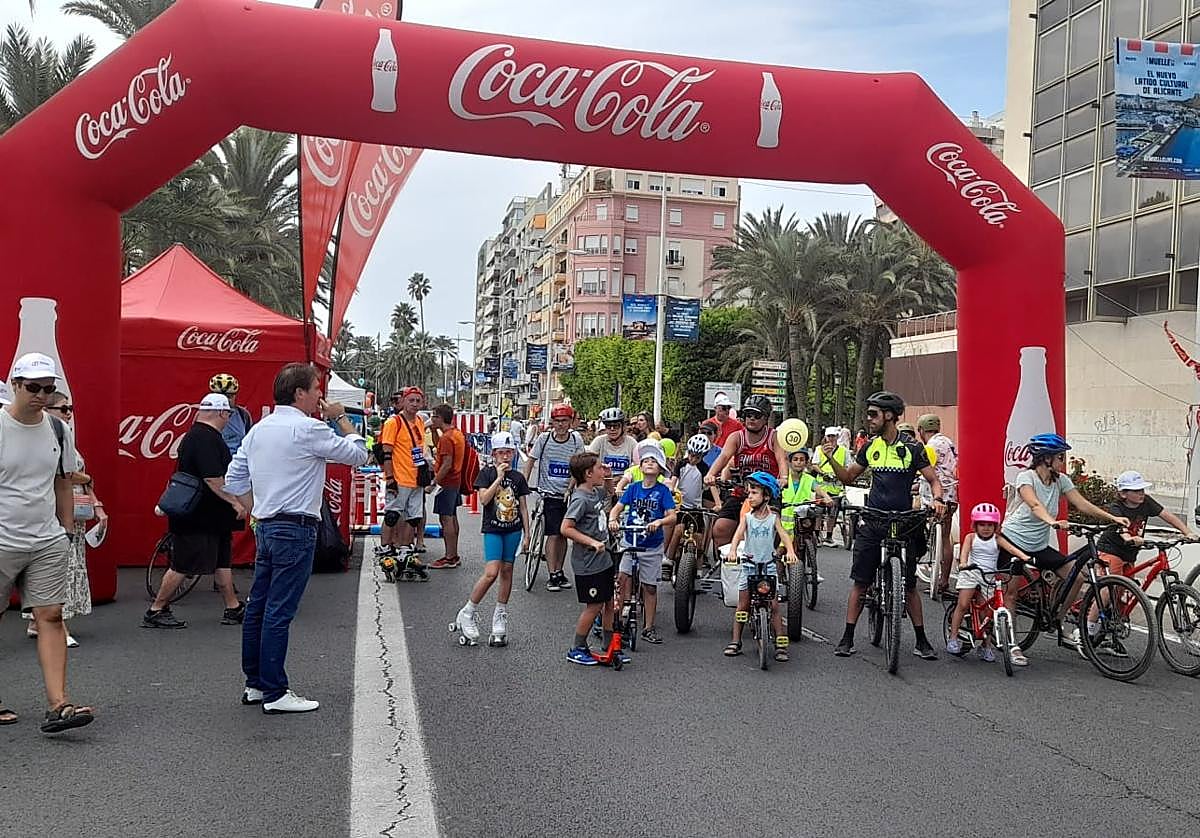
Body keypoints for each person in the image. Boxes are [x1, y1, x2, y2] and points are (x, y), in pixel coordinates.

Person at [224, 363, 369, 714]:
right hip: (297, 526)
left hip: (268, 526)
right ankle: (275, 691)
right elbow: (358, 455)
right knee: (278, 610)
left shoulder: (259, 429)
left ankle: (256, 683)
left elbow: (233, 477)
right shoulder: (308, 428)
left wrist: (256, 508)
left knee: (259, 605)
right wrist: (342, 419)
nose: (322, 394)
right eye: (317, 388)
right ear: (300, 393)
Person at [0, 353, 94, 734]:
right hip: (2, 538)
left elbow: (63, 479)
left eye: (49, 388)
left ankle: (59, 705)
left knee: (51, 616)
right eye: (34, 387)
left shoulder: (57, 429)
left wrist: (67, 530)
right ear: (15, 386)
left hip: (46, 540)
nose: (42, 395)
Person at [820, 390, 945, 661]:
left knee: (909, 585)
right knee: (860, 583)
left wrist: (937, 499)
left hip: (904, 522)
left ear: (889, 416)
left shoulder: (912, 448)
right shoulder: (869, 447)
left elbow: (934, 480)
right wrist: (830, 458)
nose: (869, 419)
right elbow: (850, 478)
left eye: (874, 414)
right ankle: (848, 637)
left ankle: (921, 640)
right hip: (874, 519)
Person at [995, 433, 1130, 666]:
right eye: (1060, 457)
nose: (1063, 461)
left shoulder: (1061, 480)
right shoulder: (1026, 477)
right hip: (1014, 541)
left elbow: (1081, 503)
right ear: (1045, 458)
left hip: (1038, 545)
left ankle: (1056, 620)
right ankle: (1012, 644)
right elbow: (1034, 503)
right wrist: (1052, 521)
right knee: (1011, 594)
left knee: (1076, 577)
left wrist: (1112, 518)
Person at [143, 393, 247, 629]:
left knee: (222, 562)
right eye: (228, 413)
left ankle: (233, 607)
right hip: (197, 516)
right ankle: (156, 609)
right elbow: (212, 478)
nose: (229, 418)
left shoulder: (201, 435)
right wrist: (235, 502)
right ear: (221, 413)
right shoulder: (204, 438)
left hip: (211, 517)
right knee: (183, 564)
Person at [25, 392, 108, 648]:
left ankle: (36, 622)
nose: (68, 413)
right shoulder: (41, 438)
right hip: (53, 510)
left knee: (67, 565)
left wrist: (96, 503)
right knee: (60, 568)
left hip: (73, 509)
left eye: (70, 408)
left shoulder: (62, 435)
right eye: (63, 409)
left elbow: (79, 474)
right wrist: (83, 478)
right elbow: (68, 474)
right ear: (48, 410)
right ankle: (57, 625)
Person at [451, 432, 530, 644]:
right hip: (494, 528)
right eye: (501, 453)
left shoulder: (518, 478)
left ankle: (500, 614)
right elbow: (484, 499)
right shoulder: (486, 473)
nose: (505, 457)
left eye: (508, 453)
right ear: (494, 454)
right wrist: (498, 477)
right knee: (491, 572)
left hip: (513, 528)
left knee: (507, 570)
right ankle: (468, 611)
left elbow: (523, 506)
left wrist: (528, 534)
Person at [722, 472, 796, 662]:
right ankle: (736, 640)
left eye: (754, 493)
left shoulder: (774, 518)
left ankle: (781, 644)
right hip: (749, 566)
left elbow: (784, 535)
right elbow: (738, 535)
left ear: (767, 496)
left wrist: (790, 550)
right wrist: (732, 550)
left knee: (774, 605)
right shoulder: (747, 517)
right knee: (743, 605)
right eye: (749, 493)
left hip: (769, 566)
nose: (750, 497)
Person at [608, 443, 677, 645]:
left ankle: (648, 626)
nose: (649, 463)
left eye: (653, 461)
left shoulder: (663, 491)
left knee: (650, 587)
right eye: (646, 460)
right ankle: (618, 620)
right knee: (622, 578)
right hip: (630, 540)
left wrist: (659, 522)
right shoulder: (633, 488)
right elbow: (617, 508)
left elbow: (672, 517)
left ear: (660, 469)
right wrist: (613, 520)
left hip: (651, 545)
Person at [562, 451, 626, 666]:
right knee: (594, 605)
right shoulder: (580, 499)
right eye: (599, 467)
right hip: (588, 563)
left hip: (603, 559)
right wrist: (591, 542)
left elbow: (610, 493)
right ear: (588, 473)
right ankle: (577, 647)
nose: (603, 469)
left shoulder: (594, 492)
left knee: (608, 602)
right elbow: (566, 528)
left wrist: (608, 477)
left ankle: (609, 646)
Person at [703, 394, 789, 552]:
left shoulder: (774, 437)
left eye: (757, 415)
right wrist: (711, 474)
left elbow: (782, 459)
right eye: (748, 415)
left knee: (772, 525)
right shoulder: (736, 437)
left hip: (767, 492)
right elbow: (724, 457)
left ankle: (769, 557)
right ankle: (729, 564)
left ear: (765, 418)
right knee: (720, 528)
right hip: (741, 490)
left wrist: (783, 478)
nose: (751, 419)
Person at [945, 503, 1031, 660]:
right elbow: (964, 553)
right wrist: (963, 564)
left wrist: (1024, 557)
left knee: (988, 613)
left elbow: (1011, 549)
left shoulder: (997, 539)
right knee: (963, 604)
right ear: (975, 526)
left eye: (990, 525)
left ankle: (986, 645)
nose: (986, 528)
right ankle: (953, 637)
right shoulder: (971, 537)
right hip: (971, 573)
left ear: (995, 526)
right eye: (982, 524)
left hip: (989, 577)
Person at [523, 404, 585, 592]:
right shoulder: (544, 439)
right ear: (552, 422)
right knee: (553, 533)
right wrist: (523, 484)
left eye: (564, 421)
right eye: (557, 421)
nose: (560, 425)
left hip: (567, 494)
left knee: (564, 535)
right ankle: (552, 573)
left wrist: (570, 487)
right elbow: (531, 461)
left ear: (570, 422)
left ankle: (559, 571)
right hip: (548, 493)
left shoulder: (576, 440)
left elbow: (578, 466)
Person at [378, 387, 430, 572]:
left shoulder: (420, 422)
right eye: (411, 400)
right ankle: (385, 549)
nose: (415, 404)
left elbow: (418, 449)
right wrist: (390, 478)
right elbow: (386, 453)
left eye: (418, 401)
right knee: (392, 516)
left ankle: (405, 550)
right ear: (404, 401)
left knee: (414, 518)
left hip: (416, 479)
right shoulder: (394, 422)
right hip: (399, 478)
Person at [916, 414, 959, 595]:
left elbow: (927, 472)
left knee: (919, 526)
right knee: (946, 537)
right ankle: (944, 581)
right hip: (952, 496)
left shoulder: (930, 447)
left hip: (935, 497)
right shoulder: (950, 444)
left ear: (921, 431)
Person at [666, 433, 721, 563]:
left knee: (698, 537)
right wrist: (671, 491)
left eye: (697, 457)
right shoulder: (681, 464)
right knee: (678, 530)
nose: (693, 459)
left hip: (696, 507)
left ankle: (699, 567)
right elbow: (674, 480)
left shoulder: (704, 468)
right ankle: (669, 559)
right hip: (682, 505)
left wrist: (718, 503)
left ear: (703, 456)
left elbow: (711, 485)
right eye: (691, 455)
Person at [427, 404, 467, 570]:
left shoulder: (447, 438)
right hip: (456, 480)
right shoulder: (456, 434)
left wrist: (434, 482)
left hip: (447, 482)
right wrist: (435, 432)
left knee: (446, 519)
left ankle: (450, 556)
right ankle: (453, 554)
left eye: (433, 416)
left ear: (440, 418)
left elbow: (446, 463)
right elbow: (440, 449)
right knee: (452, 516)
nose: (431, 419)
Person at [780, 449, 830, 537]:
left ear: (806, 463)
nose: (798, 462)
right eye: (795, 459)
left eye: (802, 460)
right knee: (781, 550)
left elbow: (819, 490)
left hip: (802, 521)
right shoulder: (783, 479)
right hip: (783, 526)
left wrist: (827, 497)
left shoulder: (809, 479)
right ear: (790, 462)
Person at [813, 426, 850, 546]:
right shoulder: (819, 449)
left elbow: (848, 466)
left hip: (835, 486)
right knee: (818, 512)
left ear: (837, 437)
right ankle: (817, 534)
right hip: (821, 486)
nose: (831, 439)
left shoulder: (844, 451)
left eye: (833, 436)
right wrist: (823, 473)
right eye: (829, 436)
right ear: (825, 437)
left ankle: (829, 536)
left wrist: (839, 474)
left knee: (832, 512)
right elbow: (814, 464)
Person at [589, 407, 638, 488]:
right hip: (602, 485)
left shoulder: (632, 443)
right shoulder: (599, 441)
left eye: (616, 426)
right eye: (608, 426)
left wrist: (621, 479)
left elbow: (638, 466)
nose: (612, 429)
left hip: (625, 487)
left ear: (623, 427)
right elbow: (588, 463)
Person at [209, 373, 255, 456]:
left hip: (236, 462)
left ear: (235, 396)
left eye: (229, 396)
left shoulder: (243, 415)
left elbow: (250, 442)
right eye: (220, 397)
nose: (225, 400)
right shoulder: (206, 415)